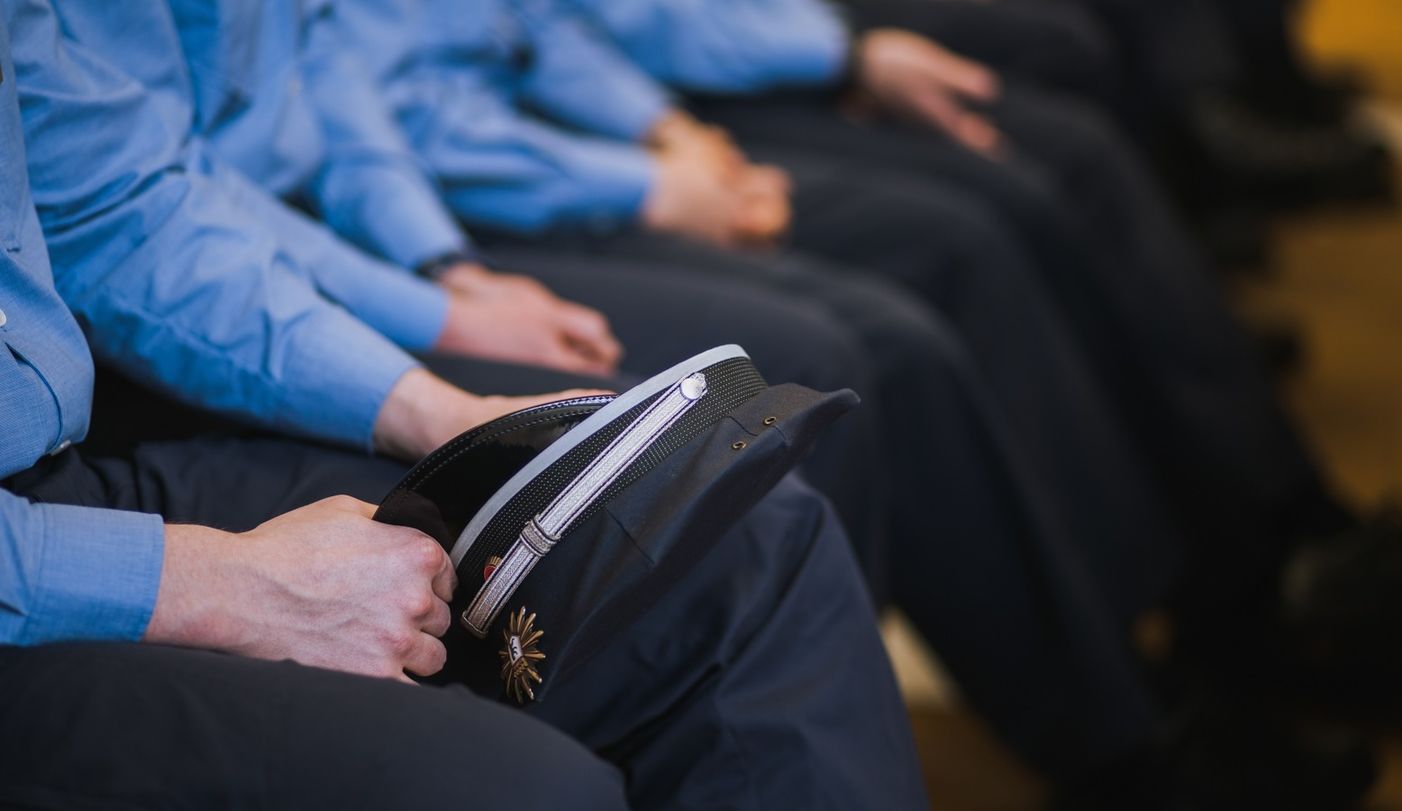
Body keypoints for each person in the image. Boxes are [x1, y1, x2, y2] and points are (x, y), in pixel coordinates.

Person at [0, 3, 927, 807]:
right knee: (529, 789)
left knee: (750, 541)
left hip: (62, 467)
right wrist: (215, 582)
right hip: (52, 537)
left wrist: (448, 412)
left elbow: (115, 201)